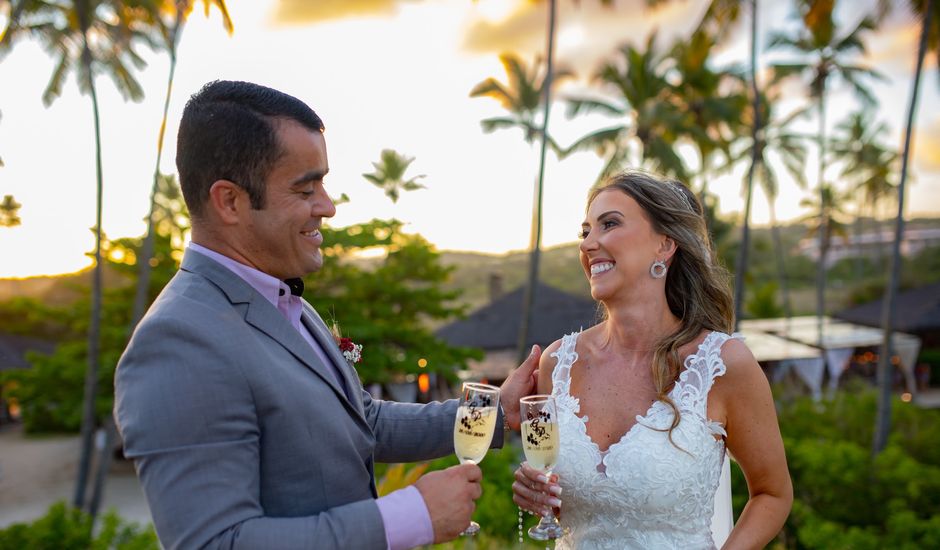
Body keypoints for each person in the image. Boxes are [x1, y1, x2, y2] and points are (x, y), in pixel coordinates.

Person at [114, 80, 540, 550]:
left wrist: (498, 411)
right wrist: (411, 516)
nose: (328, 206)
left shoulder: (285, 301)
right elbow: (215, 543)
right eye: (306, 188)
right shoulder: (177, 342)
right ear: (230, 201)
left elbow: (364, 422)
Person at [512, 172, 792, 549]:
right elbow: (578, 509)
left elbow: (772, 495)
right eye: (585, 231)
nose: (589, 244)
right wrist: (538, 494)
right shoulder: (557, 363)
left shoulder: (721, 364)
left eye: (609, 224)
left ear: (664, 244)